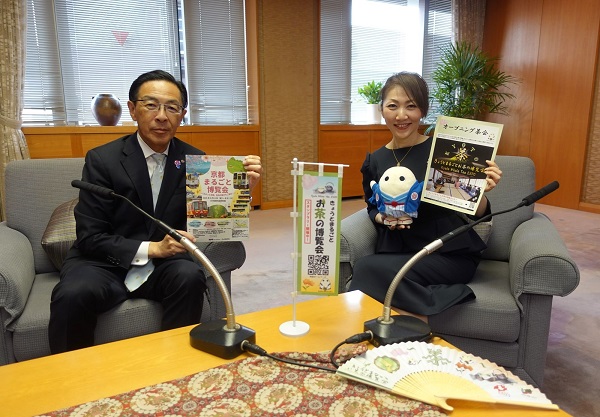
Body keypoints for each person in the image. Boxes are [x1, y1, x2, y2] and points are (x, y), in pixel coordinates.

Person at [48, 70, 262, 353]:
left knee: (189, 276)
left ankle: (175, 362)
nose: (162, 116)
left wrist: (241, 191)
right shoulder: (103, 159)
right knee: (73, 293)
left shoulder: (196, 161)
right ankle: (68, 372)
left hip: (164, 265)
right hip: (103, 262)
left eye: (172, 108)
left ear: (182, 114)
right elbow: (90, 237)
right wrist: (153, 248)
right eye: (151, 105)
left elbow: (212, 225)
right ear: (132, 109)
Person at [348, 72, 502, 318]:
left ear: (423, 110)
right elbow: (371, 206)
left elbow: (477, 213)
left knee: (366, 270)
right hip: (397, 252)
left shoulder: (444, 151)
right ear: (382, 109)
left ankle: (426, 310)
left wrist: (479, 192)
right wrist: (383, 218)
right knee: (372, 270)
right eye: (393, 106)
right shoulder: (375, 160)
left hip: (446, 253)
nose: (401, 115)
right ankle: (417, 318)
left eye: (411, 106)